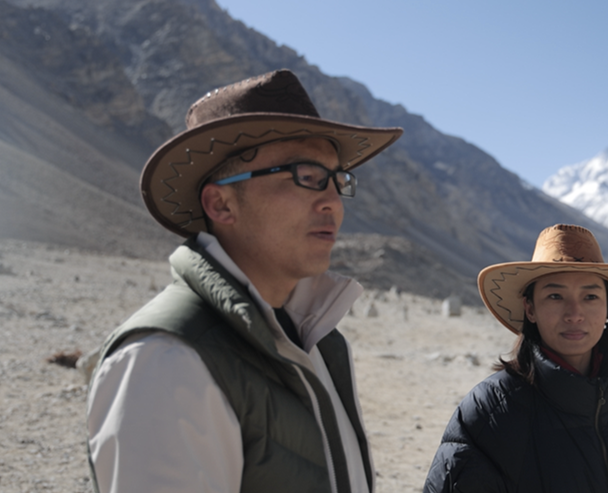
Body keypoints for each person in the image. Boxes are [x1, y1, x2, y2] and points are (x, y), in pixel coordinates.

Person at [86, 69, 403, 492]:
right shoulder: (166, 361)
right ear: (221, 204)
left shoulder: (317, 341)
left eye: (337, 180)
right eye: (307, 176)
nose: (333, 202)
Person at [424, 224, 608, 492]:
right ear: (530, 309)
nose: (574, 314)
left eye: (590, 296)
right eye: (555, 296)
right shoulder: (490, 413)